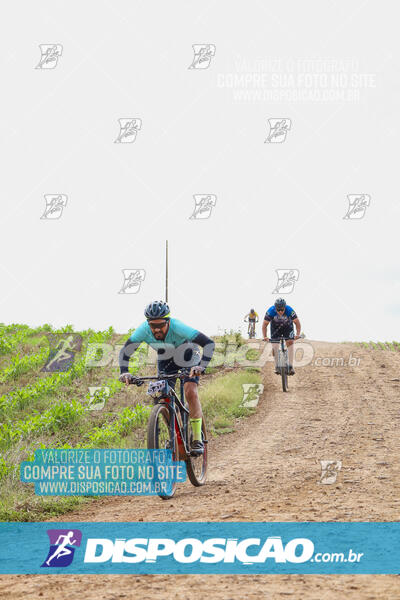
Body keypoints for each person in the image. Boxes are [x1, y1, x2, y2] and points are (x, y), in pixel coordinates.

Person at [119, 300, 215, 456]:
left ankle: (197, 438)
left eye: (161, 325)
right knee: (162, 397)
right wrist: (124, 371)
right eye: (153, 326)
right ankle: (175, 435)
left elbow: (208, 343)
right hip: (166, 358)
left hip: (189, 355)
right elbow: (125, 351)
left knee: (190, 391)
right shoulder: (143, 330)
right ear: (148, 323)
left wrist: (201, 367)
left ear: (168, 322)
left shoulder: (178, 326)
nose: (156, 329)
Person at [262, 298, 301, 375]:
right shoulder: (270, 311)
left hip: (287, 327)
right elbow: (264, 325)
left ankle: (290, 366)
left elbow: (297, 323)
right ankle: (277, 365)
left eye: (282, 310)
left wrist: (297, 334)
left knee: (290, 343)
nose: (280, 311)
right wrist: (265, 336)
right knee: (275, 346)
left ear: (285, 307)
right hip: (275, 328)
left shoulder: (289, 310)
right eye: (278, 310)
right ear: (275, 308)